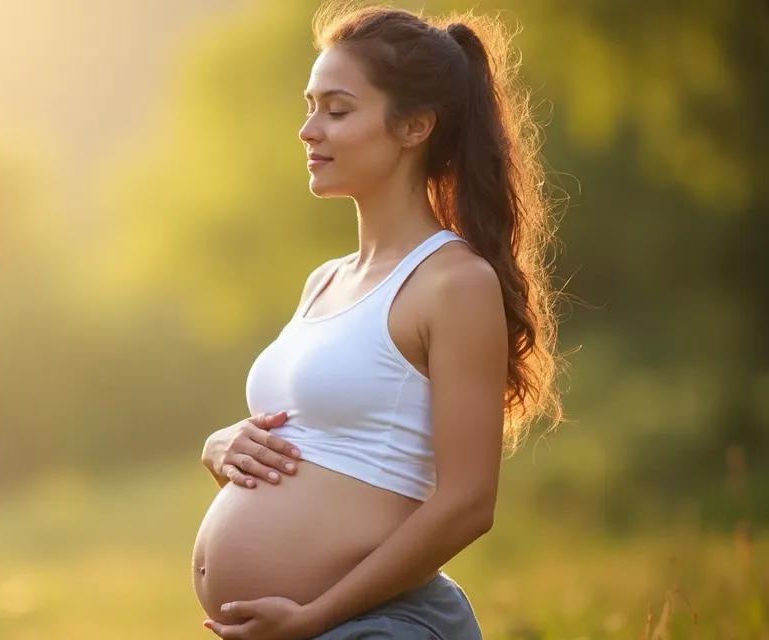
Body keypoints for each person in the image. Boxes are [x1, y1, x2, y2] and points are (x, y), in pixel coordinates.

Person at [193, 3, 569, 639]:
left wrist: (314, 617)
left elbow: (468, 504)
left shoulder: (454, 283)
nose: (309, 130)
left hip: (376, 625)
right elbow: (321, 433)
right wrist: (220, 446)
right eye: (309, 106)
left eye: (337, 110)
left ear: (414, 127)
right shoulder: (326, 280)